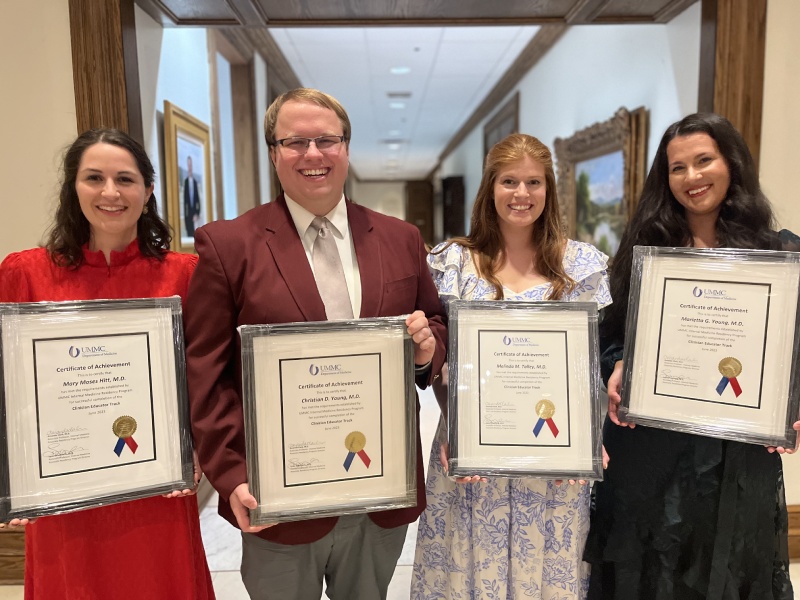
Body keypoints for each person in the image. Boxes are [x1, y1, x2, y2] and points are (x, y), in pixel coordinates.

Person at [184, 87, 447, 600]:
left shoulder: (401, 239)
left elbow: (434, 327)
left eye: (326, 140)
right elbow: (206, 373)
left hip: (379, 488)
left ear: (346, 148)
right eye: (294, 142)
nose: (312, 155)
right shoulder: (228, 245)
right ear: (273, 152)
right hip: (279, 497)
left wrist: (425, 349)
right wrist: (230, 473)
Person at [584, 113, 799, 599]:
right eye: (677, 168)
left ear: (732, 163)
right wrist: (616, 366)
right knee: (644, 571)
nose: (691, 178)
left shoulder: (779, 255)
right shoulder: (646, 250)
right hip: (649, 452)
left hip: (735, 458)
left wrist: (794, 406)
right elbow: (607, 337)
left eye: (704, 161)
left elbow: (795, 351)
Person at [0, 129, 215, 598]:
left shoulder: (185, 275)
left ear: (148, 190)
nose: (110, 193)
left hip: (156, 488)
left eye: (125, 179)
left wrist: (195, 449)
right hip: (65, 495)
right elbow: (8, 386)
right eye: (94, 178)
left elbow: (207, 376)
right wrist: (11, 472)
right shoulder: (24, 273)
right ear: (72, 187)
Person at [412, 133, 611, 599]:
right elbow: (444, 364)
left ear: (549, 190)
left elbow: (590, 363)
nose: (522, 194)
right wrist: (458, 428)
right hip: (472, 452)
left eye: (534, 182)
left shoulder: (582, 267)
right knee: (466, 564)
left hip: (554, 454)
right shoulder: (452, 264)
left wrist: (587, 438)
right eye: (509, 181)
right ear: (490, 187)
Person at [183, 155, 201, 237]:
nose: (189, 167)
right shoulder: (186, 182)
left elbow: (197, 200)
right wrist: (186, 216)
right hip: (188, 216)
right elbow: (185, 201)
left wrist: (197, 213)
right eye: (188, 165)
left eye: (190, 165)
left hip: (194, 215)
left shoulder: (195, 182)